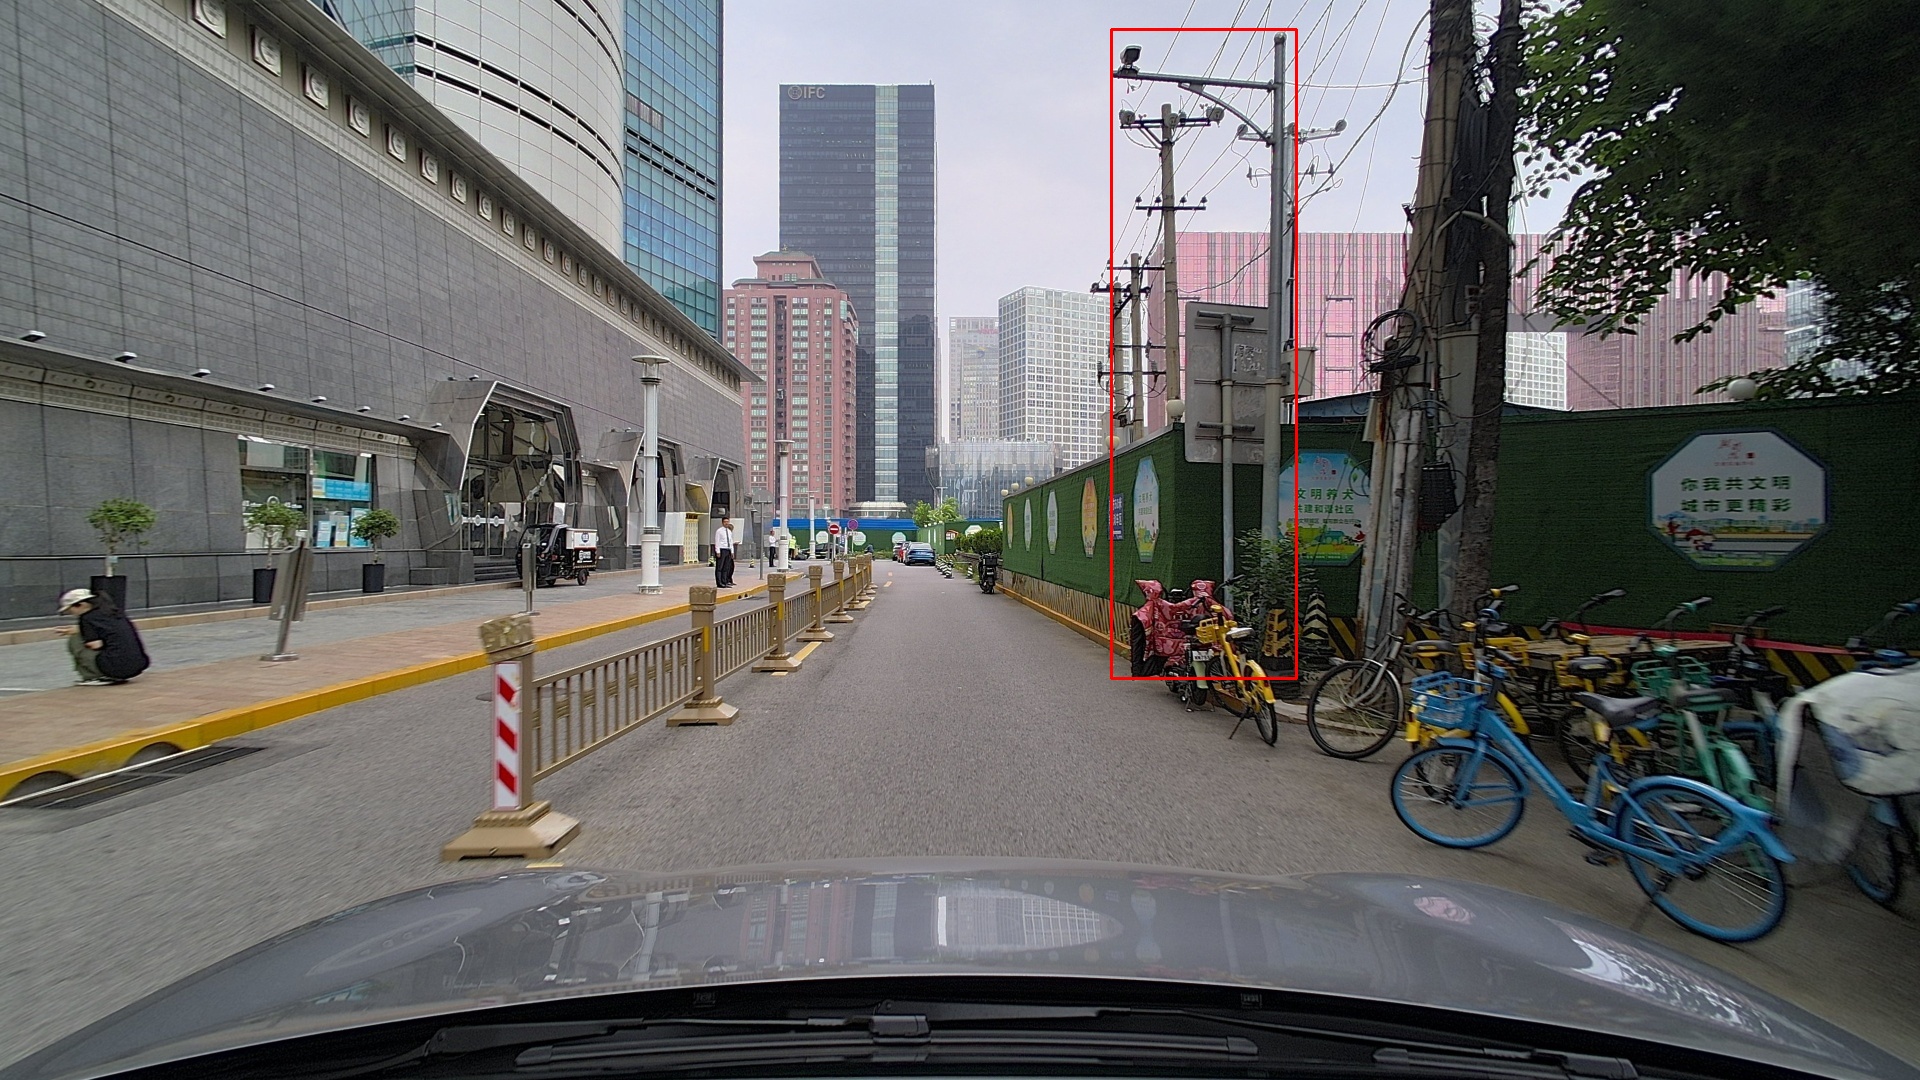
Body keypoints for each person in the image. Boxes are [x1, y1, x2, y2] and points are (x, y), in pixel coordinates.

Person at [54, 589, 151, 686]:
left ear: (81, 605)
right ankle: (111, 674)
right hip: (138, 664)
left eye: (70, 610)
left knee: (75, 639)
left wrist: (84, 634)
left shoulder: (86, 618)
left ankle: (94, 676)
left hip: (115, 667)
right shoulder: (114, 612)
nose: (71, 614)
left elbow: (95, 645)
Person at [712, 517, 736, 589]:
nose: (726, 523)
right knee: (720, 567)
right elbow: (717, 541)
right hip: (722, 549)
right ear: (722, 523)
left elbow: (731, 542)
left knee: (726, 567)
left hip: (728, 549)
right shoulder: (719, 531)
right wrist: (718, 551)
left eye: (727, 522)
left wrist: (732, 551)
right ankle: (719, 583)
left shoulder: (729, 531)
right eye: (725, 522)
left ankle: (724, 581)